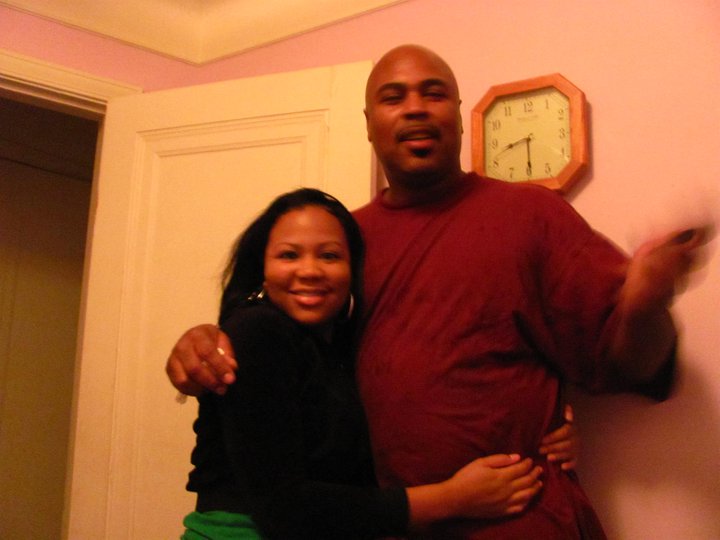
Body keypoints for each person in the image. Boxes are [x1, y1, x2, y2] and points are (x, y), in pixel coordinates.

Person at [168, 45, 709, 539]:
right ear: (369, 123)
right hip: (385, 524)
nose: (415, 109)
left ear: (457, 113)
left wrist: (646, 302)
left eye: (434, 94)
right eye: (393, 97)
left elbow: (631, 361)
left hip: (518, 519)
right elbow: (291, 365)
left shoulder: (529, 215)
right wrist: (203, 342)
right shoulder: (342, 244)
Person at [181, 187, 556, 540]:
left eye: (329, 256)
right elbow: (283, 506)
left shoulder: (336, 344)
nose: (309, 270)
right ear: (261, 268)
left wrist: (551, 418)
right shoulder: (257, 331)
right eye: (289, 255)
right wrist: (453, 499)